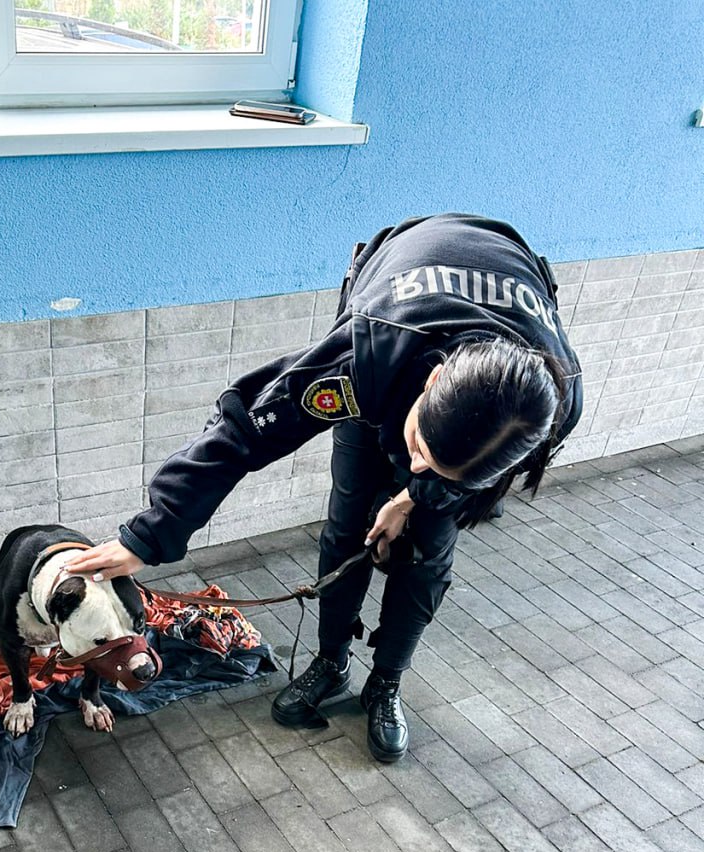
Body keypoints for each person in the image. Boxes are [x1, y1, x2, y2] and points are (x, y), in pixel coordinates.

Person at [68, 213, 583, 762]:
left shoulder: (549, 405)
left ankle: (386, 682)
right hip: (396, 330)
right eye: (419, 448)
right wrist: (152, 534)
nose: (416, 466)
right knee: (348, 527)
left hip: (483, 337)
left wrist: (412, 496)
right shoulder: (368, 355)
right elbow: (245, 430)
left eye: (439, 468)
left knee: (429, 554)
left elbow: (452, 476)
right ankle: (331, 661)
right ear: (432, 383)